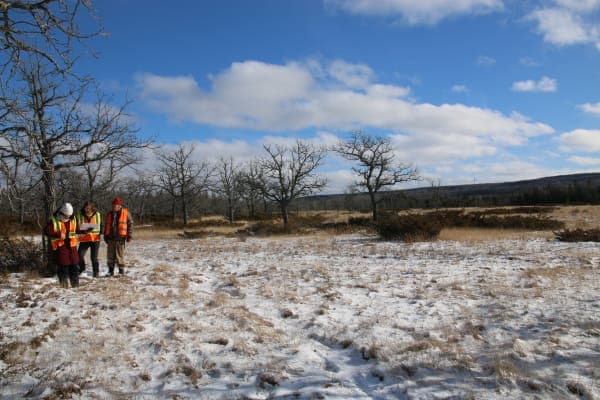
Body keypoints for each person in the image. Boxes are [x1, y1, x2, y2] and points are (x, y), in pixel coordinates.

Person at [44, 202, 80, 288]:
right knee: (63, 269)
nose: (68, 217)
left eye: (69, 215)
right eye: (66, 215)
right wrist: (59, 234)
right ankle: (64, 288)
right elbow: (47, 231)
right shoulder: (54, 220)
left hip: (72, 248)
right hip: (61, 248)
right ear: (62, 213)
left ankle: (75, 287)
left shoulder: (74, 218)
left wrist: (85, 230)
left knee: (74, 268)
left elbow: (77, 229)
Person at [104, 196, 133, 276]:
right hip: (111, 237)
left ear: (119, 206)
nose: (113, 207)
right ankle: (110, 271)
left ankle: (121, 271)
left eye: (115, 206)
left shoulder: (126, 213)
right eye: (112, 206)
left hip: (120, 237)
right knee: (110, 255)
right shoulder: (109, 214)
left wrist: (129, 235)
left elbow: (130, 224)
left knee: (120, 255)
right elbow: (106, 225)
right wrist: (105, 236)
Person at [77, 201, 102, 277]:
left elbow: (101, 225)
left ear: (92, 208)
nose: (87, 209)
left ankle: (96, 272)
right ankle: (82, 268)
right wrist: (83, 230)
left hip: (95, 239)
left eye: (89, 208)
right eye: (86, 208)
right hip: (84, 239)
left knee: (94, 258)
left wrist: (98, 231)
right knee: (79, 256)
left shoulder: (97, 214)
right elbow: (77, 226)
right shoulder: (80, 215)